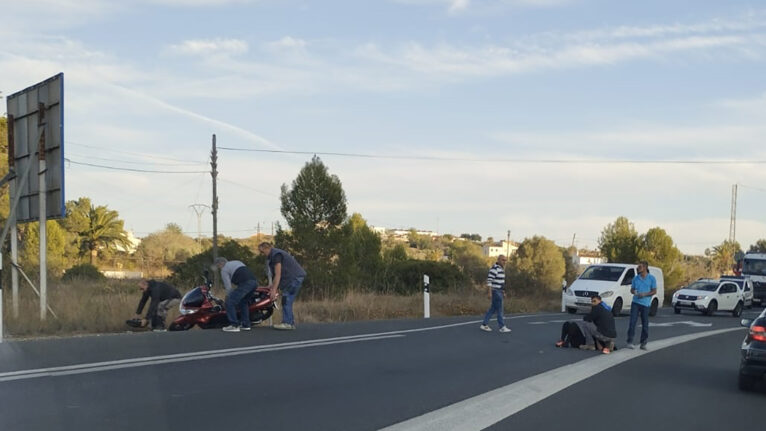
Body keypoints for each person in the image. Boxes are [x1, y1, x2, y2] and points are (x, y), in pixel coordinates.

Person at [258, 242, 306, 330]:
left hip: (293, 278)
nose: (262, 254)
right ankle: (290, 322)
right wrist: (272, 285)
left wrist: (273, 290)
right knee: (288, 299)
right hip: (296, 277)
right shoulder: (275, 254)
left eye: (262, 252)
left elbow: (278, 274)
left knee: (286, 299)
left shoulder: (276, 255)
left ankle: (287, 322)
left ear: (266, 248)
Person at [215, 257, 259, 333]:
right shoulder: (237, 262)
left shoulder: (224, 269)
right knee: (243, 302)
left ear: (221, 263)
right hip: (254, 282)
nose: (219, 268)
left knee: (230, 302)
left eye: (218, 266)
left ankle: (234, 325)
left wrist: (228, 296)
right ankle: (246, 325)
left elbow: (228, 286)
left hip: (246, 283)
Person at [627, 261, 657, 350]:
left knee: (645, 323)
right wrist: (634, 292)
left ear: (645, 268)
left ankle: (643, 343)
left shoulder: (652, 278)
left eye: (640, 267)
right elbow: (632, 289)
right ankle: (630, 341)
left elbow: (654, 291)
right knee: (632, 322)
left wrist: (645, 294)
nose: (638, 268)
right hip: (635, 302)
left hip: (646, 304)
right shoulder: (636, 278)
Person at [480, 254, 511, 333]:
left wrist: (503, 292)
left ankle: (484, 325)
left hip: (499, 291)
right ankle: (502, 327)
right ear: (498, 260)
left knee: (493, 309)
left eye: (505, 260)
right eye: (503, 260)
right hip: (495, 291)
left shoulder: (501, 269)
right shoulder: (495, 268)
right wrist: (489, 292)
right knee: (500, 309)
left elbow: (501, 282)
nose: (504, 262)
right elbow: (489, 281)